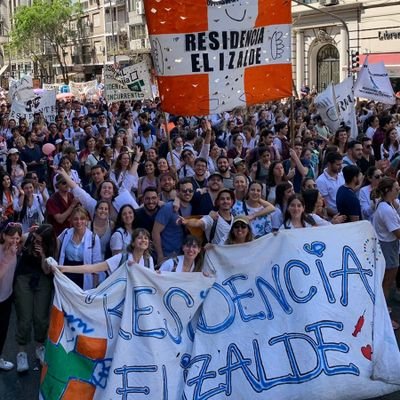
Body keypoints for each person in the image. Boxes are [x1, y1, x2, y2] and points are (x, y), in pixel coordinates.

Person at [14, 224, 56, 372]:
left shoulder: (52, 245)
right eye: (36, 238)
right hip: (24, 278)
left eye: (40, 240)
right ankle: (21, 353)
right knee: (24, 317)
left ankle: (40, 347)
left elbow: (46, 271)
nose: (36, 241)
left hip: (42, 279)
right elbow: (16, 249)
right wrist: (25, 234)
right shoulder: (28, 238)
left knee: (41, 317)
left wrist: (43, 254)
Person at [56, 228, 155, 275]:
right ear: (133, 243)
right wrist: (64, 268)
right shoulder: (121, 258)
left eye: (146, 238)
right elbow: (92, 268)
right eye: (140, 238)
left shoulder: (149, 260)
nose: (143, 240)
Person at [372, 177, 400, 330]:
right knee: (386, 283)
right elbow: (398, 233)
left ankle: (383, 312)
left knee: (386, 283)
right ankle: (384, 317)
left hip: (388, 246)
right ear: (388, 191)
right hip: (388, 247)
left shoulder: (387, 204)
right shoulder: (386, 210)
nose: (398, 190)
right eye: (396, 188)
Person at [58, 206, 103, 290]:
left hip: (84, 276)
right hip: (66, 275)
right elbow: (56, 248)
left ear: (86, 221)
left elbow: (97, 264)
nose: (79, 222)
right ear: (71, 221)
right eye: (75, 219)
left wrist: (95, 288)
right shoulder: (66, 233)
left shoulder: (93, 237)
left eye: (82, 218)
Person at [152, 178, 194, 262]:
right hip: (167, 256)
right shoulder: (168, 208)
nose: (188, 193)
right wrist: (160, 256)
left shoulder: (192, 206)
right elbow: (155, 232)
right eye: (184, 191)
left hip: (184, 256)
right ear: (178, 192)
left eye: (190, 190)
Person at [0, 223, 22, 371]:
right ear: (3, 236)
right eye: (11, 237)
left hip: (6, 298)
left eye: (17, 238)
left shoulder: (15, 248)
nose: (15, 241)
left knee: (2, 331)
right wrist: (8, 258)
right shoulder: (3, 253)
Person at [316, 151, 344, 217]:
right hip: (333, 218)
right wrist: (338, 215)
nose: (341, 167)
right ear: (329, 164)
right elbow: (324, 204)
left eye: (341, 164)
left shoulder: (342, 174)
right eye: (338, 165)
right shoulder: (321, 181)